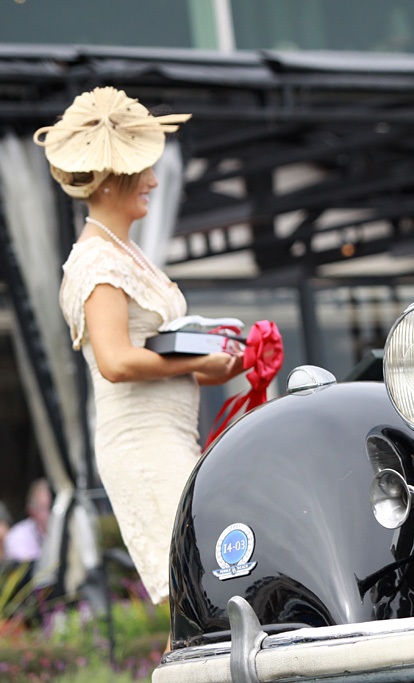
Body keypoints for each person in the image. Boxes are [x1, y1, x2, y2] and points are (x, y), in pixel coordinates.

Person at [34, 87, 245, 605]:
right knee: (200, 589)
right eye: (141, 170)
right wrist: (199, 360)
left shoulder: (122, 252)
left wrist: (206, 370)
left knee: (207, 586)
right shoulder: (96, 262)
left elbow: (150, 355)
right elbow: (115, 361)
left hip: (170, 436)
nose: (153, 180)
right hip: (142, 446)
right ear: (108, 182)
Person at [3, 478, 51, 563]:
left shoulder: (67, 530)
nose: (50, 514)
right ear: (31, 511)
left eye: (51, 507)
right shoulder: (18, 536)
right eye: (44, 508)